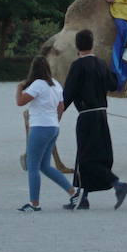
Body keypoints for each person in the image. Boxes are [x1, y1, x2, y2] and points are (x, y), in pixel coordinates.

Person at [59, 29, 127, 210]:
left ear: (77, 46)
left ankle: (117, 184)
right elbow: (113, 85)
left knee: (85, 157)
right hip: (102, 115)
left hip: (87, 116)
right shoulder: (100, 64)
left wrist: (57, 114)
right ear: (92, 45)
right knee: (99, 154)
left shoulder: (78, 66)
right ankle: (83, 198)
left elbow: (68, 94)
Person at [15, 55, 78, 211]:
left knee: (33, 166)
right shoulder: (55, 84)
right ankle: (73, 191)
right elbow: (61, 107)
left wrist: (19, 88)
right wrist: (55, 121)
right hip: (53, 127)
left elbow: (20, 102)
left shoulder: (37, 84)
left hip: (39, 127)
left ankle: (34, 203)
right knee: (45, 166)